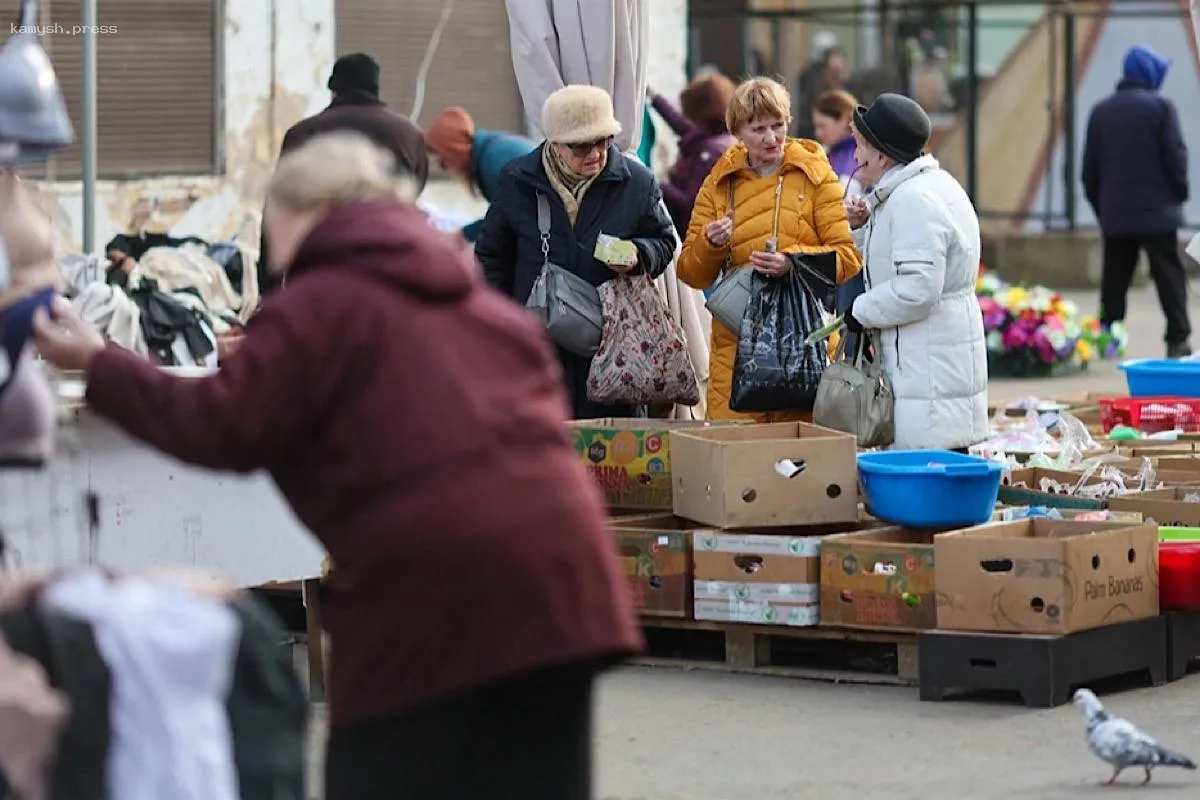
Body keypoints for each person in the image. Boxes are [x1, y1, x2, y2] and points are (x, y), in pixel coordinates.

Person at [31, 131, 641, 800]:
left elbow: (220, 423)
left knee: (381, 776)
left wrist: (98, 361)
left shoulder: (321, 304)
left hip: (427, 593)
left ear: (303, 214)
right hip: (564, 586)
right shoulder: (480, 309)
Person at [474, 85, 678, 420]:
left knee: (613, 458)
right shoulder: (517, 180)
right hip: (537, 347)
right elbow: (492, 259)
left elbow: (664, 241)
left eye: (604, 141)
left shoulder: (637, 182)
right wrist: (504, 326)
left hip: (613, 348)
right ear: (554, 142)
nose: (596, 154)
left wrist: (639, 255)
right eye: (581, 146)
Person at [678, 76, 862, 422]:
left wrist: (793, 263)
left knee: (802, 459)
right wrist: (710, 244)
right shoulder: (719, 183)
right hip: (735, 347)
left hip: (804, 344)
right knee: (737, 461)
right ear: (738, 132)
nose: (771, 137)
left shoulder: (815, 175)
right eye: (758, 128)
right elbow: (689, 271)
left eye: (778, 125)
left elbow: (848, 258)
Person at [840, 93, 988, 451]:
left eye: (860, 146)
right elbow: (898, 258)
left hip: (927, 369)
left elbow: (917, 289)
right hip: (934, 360)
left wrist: (859, 312)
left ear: (881, 152)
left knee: (928, 474)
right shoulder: (927, 187)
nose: (857, 157)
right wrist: (863, 230)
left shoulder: (912, 200)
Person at [257, 53, 430, 298]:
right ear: (376, 89)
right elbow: (414, 193)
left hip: (318, 274)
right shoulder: (409, 135)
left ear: (333, 90)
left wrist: (269, 290)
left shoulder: (305, 133)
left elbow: (278, 210)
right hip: (389, 270)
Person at [1082, 45, 1191, 358]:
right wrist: (1178, 195)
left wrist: (1103, 208)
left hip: (1116, 214)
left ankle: (1108, 341)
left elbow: (1089, 170)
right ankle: (1177, 339)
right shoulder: (1161, 108)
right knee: (1169, 275)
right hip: (1159, 214)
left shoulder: (1101, 111)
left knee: (1114, 280)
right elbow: (1176, 158)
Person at [423, 107, 536, 243]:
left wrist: (460, 237)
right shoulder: (490, 148)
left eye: (443, 162)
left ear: (455, 152)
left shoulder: (493, 162)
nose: (445, 169)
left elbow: (505, 220)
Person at [647, 73, 737, 238]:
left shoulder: (711, 151)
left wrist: (653, 182)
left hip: (691, 234)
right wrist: (653, 96)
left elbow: (690, 202)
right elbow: (681, 125)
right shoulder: (716, 135)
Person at [811, 89, 866, 320]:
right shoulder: (827, 154)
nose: (818, 133)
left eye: (823, 125)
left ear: (844, 119)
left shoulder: (859, 155)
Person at [793, 41, 850, 139]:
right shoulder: (815, 94)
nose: (838, 76)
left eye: (841, 70)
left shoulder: (850, 91)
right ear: (825, 71)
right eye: (834, 71)